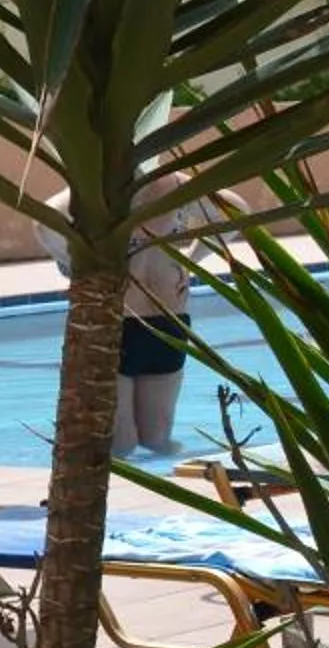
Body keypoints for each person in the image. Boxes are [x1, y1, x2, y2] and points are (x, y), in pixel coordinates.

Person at [38, 174, 243, 456]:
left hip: (167, 323)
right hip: (116, 326)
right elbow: (45, 225)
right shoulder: (85, 197)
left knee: (155, 439)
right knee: (122, 444)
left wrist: (192, 262)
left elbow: (235, 209)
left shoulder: (171, 184)